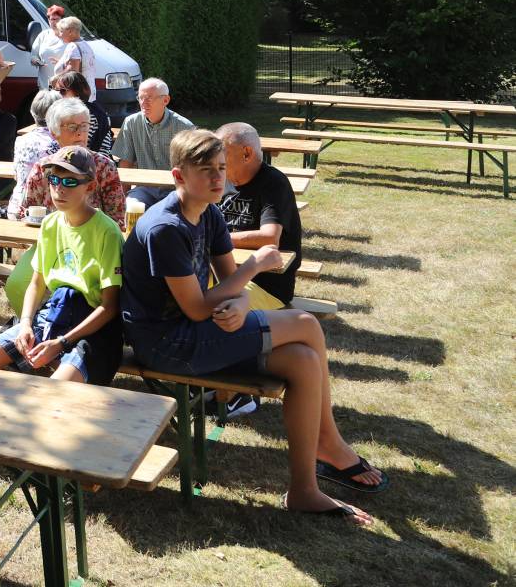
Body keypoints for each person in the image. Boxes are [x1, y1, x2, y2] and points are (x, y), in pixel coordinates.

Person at [122, 129, 386, 524]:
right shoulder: (165, 227)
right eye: (206, 171)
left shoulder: (209, 212)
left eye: (222, 169)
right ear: (178, 177)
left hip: (198, 329)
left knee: (301, 360)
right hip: (167, 344)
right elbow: (196, 308)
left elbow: (230, 284)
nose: (218, 180)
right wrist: (255, 266)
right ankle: (328, 444)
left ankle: (303, 490)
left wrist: (242, 300)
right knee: (305, 325)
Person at [0, 146, 123, 383]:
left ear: (90, 187)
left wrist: (62, 343)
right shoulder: (50, 223)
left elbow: (110, 307)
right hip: (55, 314)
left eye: (70, 182)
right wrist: (25, 324)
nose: (59, 189)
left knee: (56, 390)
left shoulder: (107, 232)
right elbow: (37, 281)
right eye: (54, 179)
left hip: (92, 328)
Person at [218, 122, 304, 307]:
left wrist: (216, 239)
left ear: (247, 153)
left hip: (266, 287)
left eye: (222, 154)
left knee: (214, 307)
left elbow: (269, 238)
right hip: (225, 275)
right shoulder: (221, 181)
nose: (217, 162)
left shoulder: (274, 183)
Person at [11, 96, 124, 225]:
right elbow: (27, 211)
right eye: (72, 127)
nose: (80, 133)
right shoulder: (44, 168)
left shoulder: (104, 167)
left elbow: (117, 218)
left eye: (84, 126)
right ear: (54, 133)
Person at [114, 77, 195, 204]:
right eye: (141, 98)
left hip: (175, 190)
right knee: (132, 206)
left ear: (165, 100)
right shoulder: (131, 122)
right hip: (144, 189)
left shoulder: (184, 127)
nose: (144, 103)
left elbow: (193, 167)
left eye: (149, 98)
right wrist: (123, 200)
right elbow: (126, 162)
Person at [8, 91, 62, 216]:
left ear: (33, 113)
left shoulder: (21, 140)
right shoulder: (59, 142)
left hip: (16, 206)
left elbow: (17, 175)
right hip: (45, 212)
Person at [50, 70, 113, 156]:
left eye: (62, 91)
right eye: (56, 90)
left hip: (90, 162)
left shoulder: (85, 115)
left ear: (77, 92)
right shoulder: (95, 109)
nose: (58, 95)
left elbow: (76, 149)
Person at [53, 15, 97, 100]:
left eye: (61, 31)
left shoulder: (73, 46)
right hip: (86, 93)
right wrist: (61, 63)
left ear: (70, 31)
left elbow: (73, 75)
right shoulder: (85, 44)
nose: (60, 34)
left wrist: (56, 78)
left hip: (74, 97)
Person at [31, 4, 68, 92]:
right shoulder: (43, 35)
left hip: (63, 87)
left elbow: (75, 62)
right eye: (51, 19)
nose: (53, 22)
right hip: (44, 86)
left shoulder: (68, 36)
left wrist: (61, 64)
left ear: (62, 20)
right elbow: (33, 55)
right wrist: (36, 61)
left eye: (56, 19)